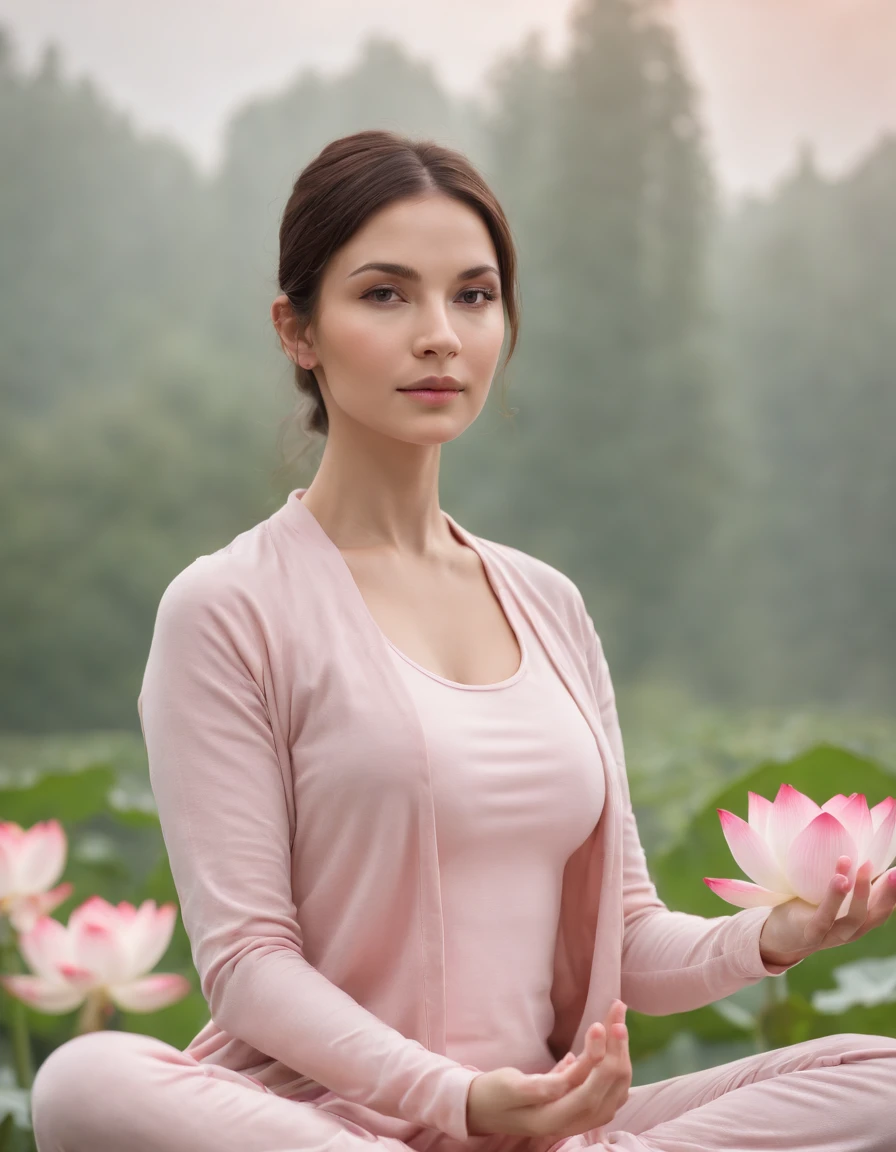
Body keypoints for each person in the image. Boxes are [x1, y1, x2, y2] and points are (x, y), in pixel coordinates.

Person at [30, 130, 896, 1152]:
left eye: (473, 296)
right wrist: (455, 1099)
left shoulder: (549, 603)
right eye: (385, 295)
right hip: (319, 1127)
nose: (439, 335)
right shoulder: (226, 607)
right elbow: (248, 966)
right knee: (84, 1080)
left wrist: (769, 936)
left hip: (542, 1120)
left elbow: (625, 940)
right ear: (297, 329)